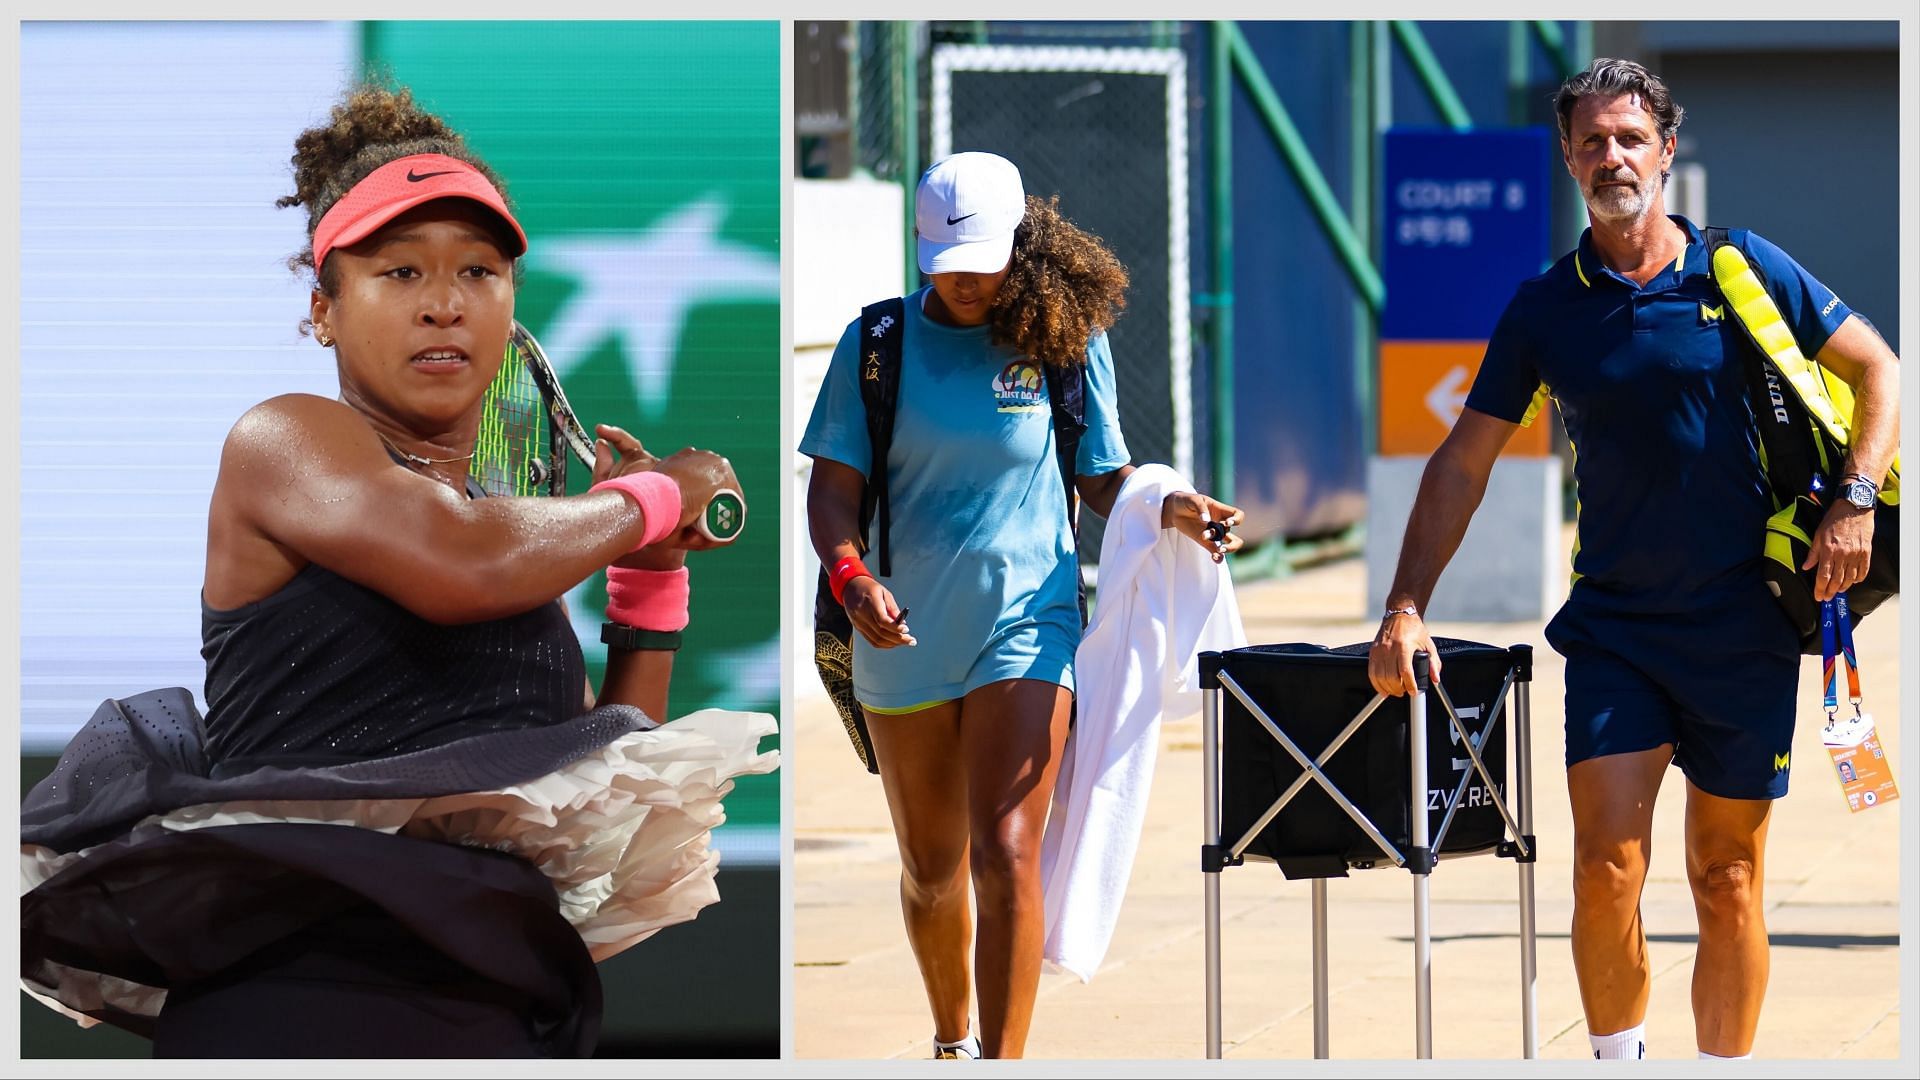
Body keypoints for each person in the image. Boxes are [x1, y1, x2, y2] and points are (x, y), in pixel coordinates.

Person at [19, 84, 776, 1058]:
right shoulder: (285, 440)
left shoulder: (511, 557)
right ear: (323, 310)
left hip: (494, 1014)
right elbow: (454, 564)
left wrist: (649, 585)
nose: (445, 303)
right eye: (398, 271)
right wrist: (656, 500)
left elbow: (603, 788)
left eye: (480, 269)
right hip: (306, 1005)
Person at [1367, 59, 1898, 1060]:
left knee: (1725, 875)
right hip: (1615, 627)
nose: (1613, 155)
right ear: (1568, 159)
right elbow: (1461, 464)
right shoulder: (1545, 310)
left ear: (1665, 149)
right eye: (1593, 140)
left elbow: (1879, 367)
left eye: (1630, 137)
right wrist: (1405, 604)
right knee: (1605, 866)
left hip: (1746, 623)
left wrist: (1856, 500)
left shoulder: (1741, 271)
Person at [801, 151, 1243, 1059]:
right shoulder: (875, 346)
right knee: (933, 872)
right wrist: (853, 582)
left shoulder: (1064, 340)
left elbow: (1102, 480)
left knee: (1005, 850)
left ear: (1023, 246)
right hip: (901, 635)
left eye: (983, 263)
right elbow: (833, 497)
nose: (965, 283)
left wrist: (1171, 506)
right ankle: (951, 1038)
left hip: (1028, 625)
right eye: (946, 266)